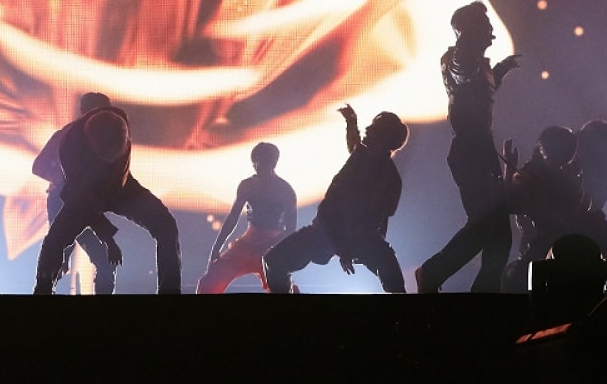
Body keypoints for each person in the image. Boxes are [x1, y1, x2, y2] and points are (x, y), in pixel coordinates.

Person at [415, 1, 521, 293]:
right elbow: (463, 73)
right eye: (485, 26)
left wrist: (501, 68)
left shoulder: (474, 62)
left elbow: (479, 87)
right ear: (468, 30)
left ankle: (484, 292)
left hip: (480, 149)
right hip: (471, 151)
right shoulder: (461, 58)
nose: (491, 32)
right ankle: (433, 271)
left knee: (499, 233)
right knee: (486, 224)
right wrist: (470, 39)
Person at [32, 93, 181, 294]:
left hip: (119, 187)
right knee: (56, 245)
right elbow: (86, 202)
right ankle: (43, 288)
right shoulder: (67, 144)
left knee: (165, 225)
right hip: (80, 194)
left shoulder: (118, 127)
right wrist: (108, 239)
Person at [262, 106, 409, 294]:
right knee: (274, 262)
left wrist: (344, 246)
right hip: (327, 231)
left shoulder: (389, 179)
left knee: (391, 274)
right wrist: (351, 122)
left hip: (350, 236)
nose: (367, 129)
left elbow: (370, 221)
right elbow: (355, 146)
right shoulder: (363, 157)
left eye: (374, 128)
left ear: (383, 138)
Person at [503, 126, 607, 289]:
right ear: (544, 149)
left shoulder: (577, 157)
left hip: (586, 228)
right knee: (518, 279)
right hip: (552, 236)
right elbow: (509, 204)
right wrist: (509, 173)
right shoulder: (531, 175)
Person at [31, 91, 119, 294]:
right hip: (65, 204)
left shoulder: (103, 141)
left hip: (83, 205)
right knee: (61, 261)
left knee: (64, 261)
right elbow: (39, 166)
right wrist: (65, 181)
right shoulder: (66, 136)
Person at [196, 142, 296, 293]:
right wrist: (216, 248)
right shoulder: (247, 185)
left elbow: (290, 230)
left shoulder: (285, 190)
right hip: (249, 241)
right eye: (256, 161)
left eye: (263, 161)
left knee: (282, 289)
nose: (259, 165)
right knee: (209, 283)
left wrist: (265, 246)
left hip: (274, 246)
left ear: (274, 162)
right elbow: (232, 218)